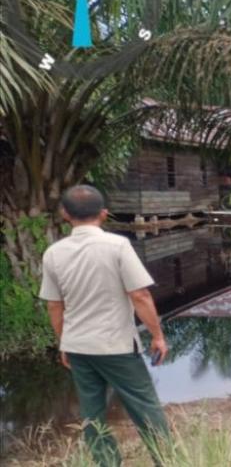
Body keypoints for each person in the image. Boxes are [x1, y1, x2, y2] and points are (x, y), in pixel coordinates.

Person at [39, 185, 170, 466]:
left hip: (78, 346)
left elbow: (54, 305)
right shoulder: (118, 246)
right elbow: (140, 294)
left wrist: (65, 343)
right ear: (103, 213)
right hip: (116, 345)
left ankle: (107, 462)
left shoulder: (53, 253)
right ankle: (167, 459)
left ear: (65, 214)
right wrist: (157, 336)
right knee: (144, 406)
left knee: (92, 411)